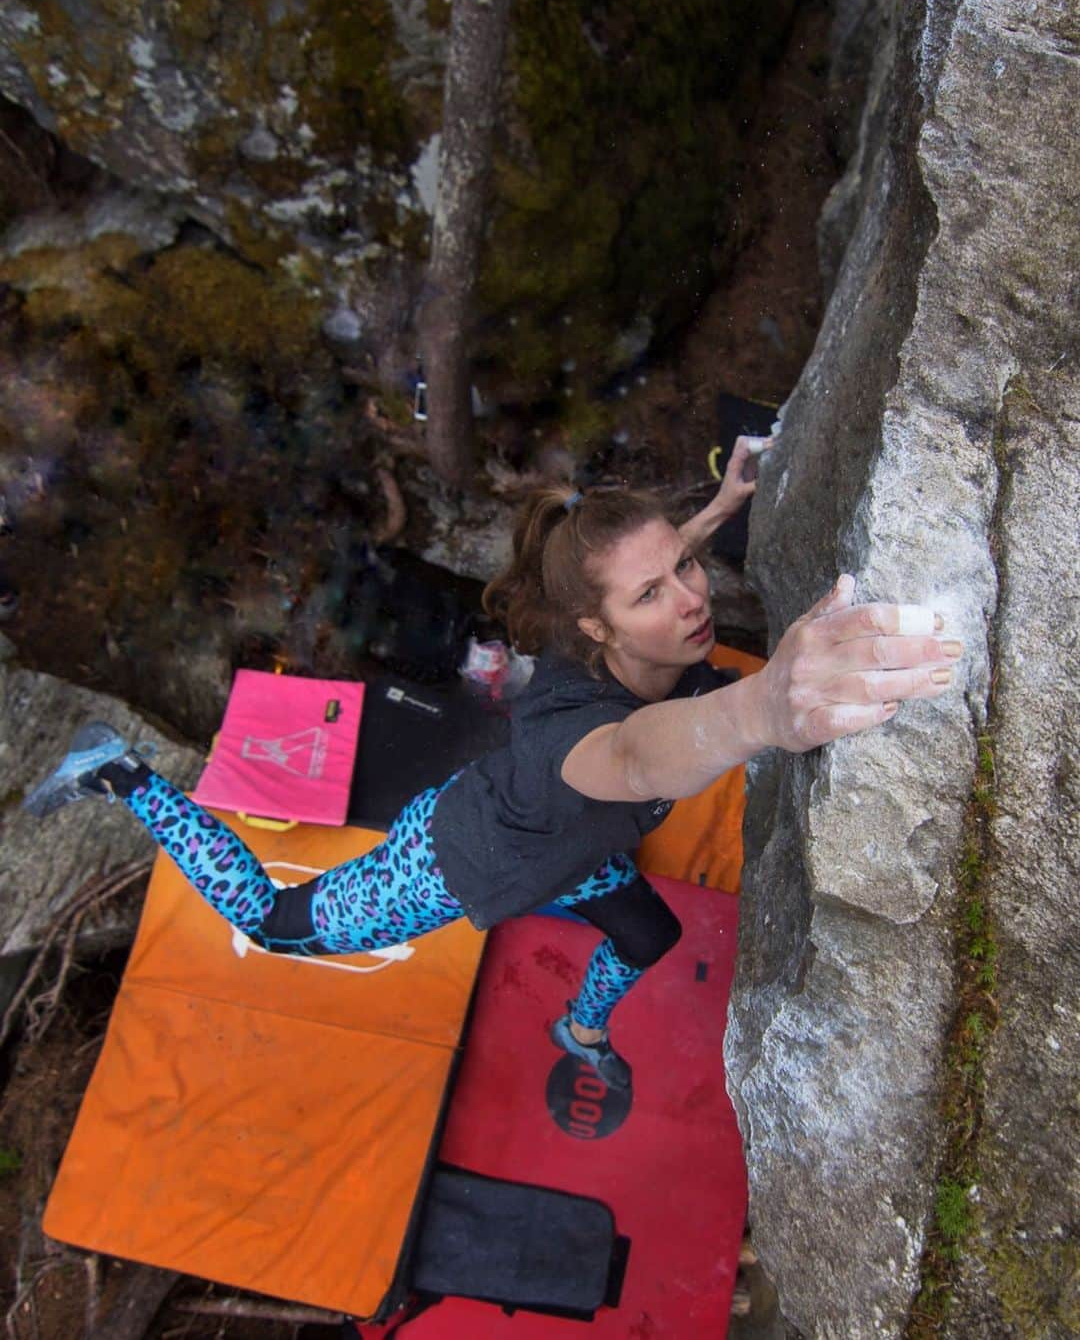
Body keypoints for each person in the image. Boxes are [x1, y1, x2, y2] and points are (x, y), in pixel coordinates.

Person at [23, 438, 963, 1089]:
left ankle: (578, 1027)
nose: (689, 600)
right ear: (598, 629)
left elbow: (645, 583)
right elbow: (636, 761)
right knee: (275, 919)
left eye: (683, 566)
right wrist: (764, 706)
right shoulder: (575, 732)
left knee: (646, 935)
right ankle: (122, 774)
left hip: (563, 851)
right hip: (460, 856)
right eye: (653, 591)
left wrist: (720, 505)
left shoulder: (603, 629)